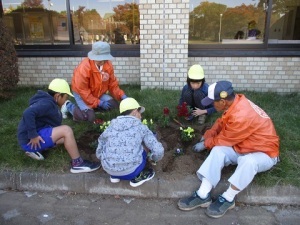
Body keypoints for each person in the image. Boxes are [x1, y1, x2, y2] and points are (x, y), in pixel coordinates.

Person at [177, 80, 279, 218]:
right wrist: (209, 134)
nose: (212, 104)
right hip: (245, 145)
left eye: (213, 102)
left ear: (223, 102)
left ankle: (228, 198)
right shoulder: (236, 102)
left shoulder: (241, 116)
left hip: (264, 153)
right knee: (218, 151)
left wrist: (205, 143)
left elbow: (223, 139)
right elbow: (221, 122)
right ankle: (202, 195)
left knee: (248, 162)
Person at [17, 78, 101, 174]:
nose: (66, 100)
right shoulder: (47, 104)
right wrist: (33, 135)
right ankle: (78, 164)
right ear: (57, 96)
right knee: (66, 130)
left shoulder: (46, 101)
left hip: (31, 139)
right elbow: (28, 113)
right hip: (30, 141)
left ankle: (39, 151)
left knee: (66, 137)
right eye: (65, 97)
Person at [96, 97, 164, 187]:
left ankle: (115, 176)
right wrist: (152, 158)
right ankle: (139, 176)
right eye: (140, 112)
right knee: (143, 147)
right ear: (135, 112)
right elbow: (159, 151)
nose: (141, 116)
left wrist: (103, 157)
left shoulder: (111, 126)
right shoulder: (140, 127)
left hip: (109, 169)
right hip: (132, 171)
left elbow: (101, 144)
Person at [61, 41, 128, 123]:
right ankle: (69, 106)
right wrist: (99, 103)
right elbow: (83, 91)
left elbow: (112, 85)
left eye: (104, 59)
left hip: (97, 92)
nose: (103, 62)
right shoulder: (84, 68)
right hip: (81, 93)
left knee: (114, 106)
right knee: (89, 117)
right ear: (93, 57)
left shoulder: (108, 65)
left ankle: (92, 107)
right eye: (100, 60)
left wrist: (122, 96)